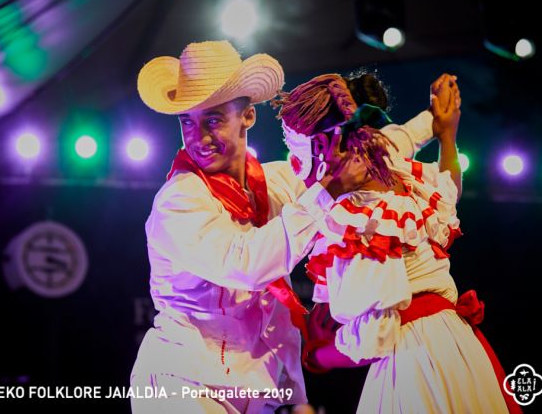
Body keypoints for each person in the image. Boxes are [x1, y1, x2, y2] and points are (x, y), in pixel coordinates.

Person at [130, 40, 436, 413]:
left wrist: (432, 123)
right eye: (186, 123)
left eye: (212, 119)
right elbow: (246, 264)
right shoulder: (179, 199)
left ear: (248, 116)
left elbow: (375, 149)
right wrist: (329, 191)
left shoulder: (274, 183)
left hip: (258, 389)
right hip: (182, 384)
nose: (199, 137)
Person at [274, 73, 519, 413]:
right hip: (460, 346)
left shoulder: (356, 220)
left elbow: (376, 337)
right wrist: (446, 135)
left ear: (323, 154)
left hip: (416, 360)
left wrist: (316, 355)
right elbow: (449, 186)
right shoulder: (402, 181)